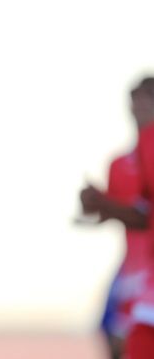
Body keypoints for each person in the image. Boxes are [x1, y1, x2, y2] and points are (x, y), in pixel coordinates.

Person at [80, 77, 154, 359]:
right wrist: (95, 203)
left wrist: (103, 203)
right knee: (117, 340)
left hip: (145, 273)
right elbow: (131, 213)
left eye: (147, 99)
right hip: (133, 270)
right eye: (137, 100)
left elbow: (142, 215)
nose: (140, 106)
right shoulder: (121, 162)